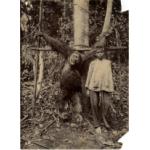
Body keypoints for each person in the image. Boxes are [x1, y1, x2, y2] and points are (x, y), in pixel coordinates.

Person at [85, 49, 114, 134]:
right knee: (94, 104)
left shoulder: (108, 62)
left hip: (105, 86)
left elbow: (110, 75)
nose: (100, 54)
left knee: (105, 104)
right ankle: (97, 125)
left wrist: (111, 88)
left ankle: (104, 121)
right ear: (95, 54)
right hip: (93, 86)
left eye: (101, 52)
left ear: (103, 53)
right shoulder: (93, 63)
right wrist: (87, 87)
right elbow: (89, 75)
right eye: (98, 52)